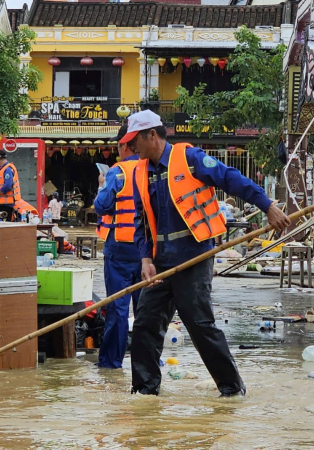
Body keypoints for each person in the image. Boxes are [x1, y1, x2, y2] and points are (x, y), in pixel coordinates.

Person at [123, 110, 289, 396]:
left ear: (152, 135)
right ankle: (145, 391)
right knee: (145, 324)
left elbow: (231, 179)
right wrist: (145, 259)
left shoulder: (190, 159)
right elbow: (141, 221)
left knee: (199, 324)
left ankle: (232, 389)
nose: (131, 147)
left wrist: (267, 206)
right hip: (160, 261)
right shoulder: (140, 172)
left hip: (193, 255)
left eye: (134, 140)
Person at [93, 126, 143, 369]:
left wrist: (102, 184)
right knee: (146, 310)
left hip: (120, 248)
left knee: (118, 308)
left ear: (125, 145)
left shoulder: (118, 172)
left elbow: (102, 206)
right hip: (148, 250)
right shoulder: (151, 169)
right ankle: (147, 361)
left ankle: (112, 364)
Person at [0, 149, 21, 221]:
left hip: (6, 204)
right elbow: (1, 184)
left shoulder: (7, 169)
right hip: (3, 204)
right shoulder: (4, 169)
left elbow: (7, 186)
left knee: (4, 226)